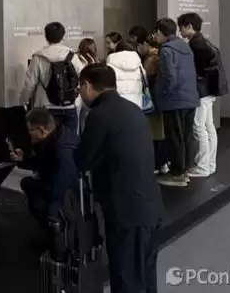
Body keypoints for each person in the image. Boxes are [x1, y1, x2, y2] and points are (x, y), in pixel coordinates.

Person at [75, 64, 163, 293]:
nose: (80, 93)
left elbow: (83, 160)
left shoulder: (100, 115)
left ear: (88, 85)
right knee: (145, 277)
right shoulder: (132, 109)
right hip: (149, 204)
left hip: (126, 210)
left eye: (80, 87)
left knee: (126, 279)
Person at [177, 13, 229, 177]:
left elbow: (202, 69)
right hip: (209, 90)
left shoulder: (197, 45)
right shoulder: (203, 42)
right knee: (208, 127)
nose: (180, 31)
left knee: (199, 127)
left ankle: (203, 166)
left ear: (189, 26)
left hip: (202, 91)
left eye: (181, 27)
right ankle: (209, 164)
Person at [10, 108, 79, 228]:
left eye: (30, 130)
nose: (28, 134)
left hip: (65, 190)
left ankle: (53, 223)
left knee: (29, 186)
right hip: (56, 180)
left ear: (42, 130)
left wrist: (52, 214)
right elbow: (43, 162)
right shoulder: (54, 137)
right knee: (28, 183)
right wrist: (23, 159)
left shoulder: (63, 153)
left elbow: (59, 188)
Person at [152, 18, 200, 187]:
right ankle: (184, 170)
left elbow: (169, 77)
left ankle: (177, 173)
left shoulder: (166, 50)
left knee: (174, 138)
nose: (155, 37)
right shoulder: (185, 47)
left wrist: (161, 94)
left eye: (155, 33)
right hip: (190, 97)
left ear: (160, 32)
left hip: (174, 100)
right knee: (186, 136)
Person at [20, 22, 82, 133]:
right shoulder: (72, 56)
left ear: (46, 36)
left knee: (47, 140)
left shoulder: (39, 57)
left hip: (45, 107)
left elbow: (29, 84)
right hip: (69, 105)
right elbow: (82, 76)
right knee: (70, 140)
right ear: (63, 36)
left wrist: (23, 101)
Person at [138, 35, 168, 174]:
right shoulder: (160, 57)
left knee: (155, 133)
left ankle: (158, 163)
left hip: (152, 98)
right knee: (160, 132)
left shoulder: (151, 60)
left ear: (146, 44)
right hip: (160, 98)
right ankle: (163, 162)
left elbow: (146, 79)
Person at [105, 40, 145, 108]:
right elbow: (144, 79)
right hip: (136, 103)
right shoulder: (138, 63)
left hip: (117, 103)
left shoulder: (110, 63)